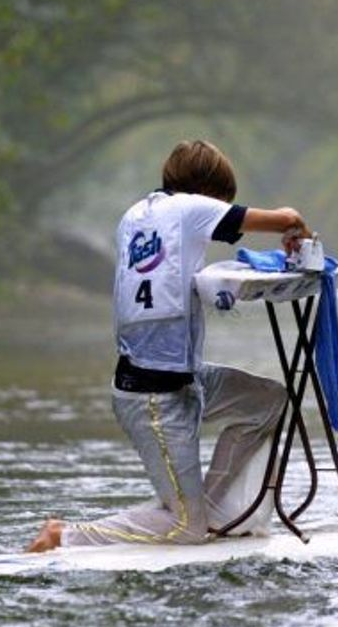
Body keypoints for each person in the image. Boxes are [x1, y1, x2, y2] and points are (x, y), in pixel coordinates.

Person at [26, 140, 312, 552]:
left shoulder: (136, 216)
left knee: (267, 401)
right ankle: (64, 535)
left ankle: (208, 509)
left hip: (186, 379)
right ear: (208, 191)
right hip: (153, 398)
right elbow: (285, 218)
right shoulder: (193, 208)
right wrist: (296, 227)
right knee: (186, 529)